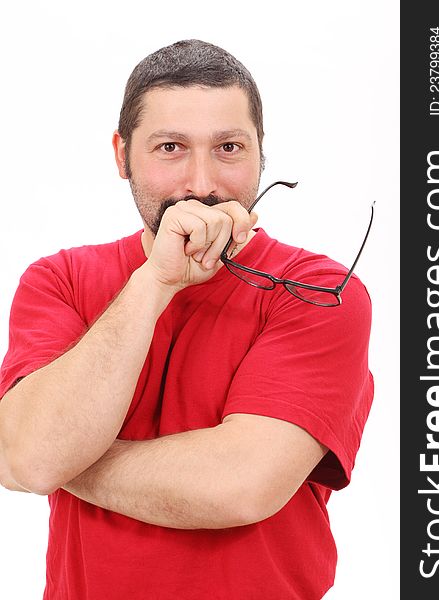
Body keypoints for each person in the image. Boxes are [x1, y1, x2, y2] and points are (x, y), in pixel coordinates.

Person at [0, 39, 374, 600]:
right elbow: (25, 457)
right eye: (170, 147)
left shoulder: (321, 292)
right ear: (121, 155)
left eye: (228, 147)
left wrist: (62, 459)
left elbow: (239, 486)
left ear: (261, 155)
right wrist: (155, 282)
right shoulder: (60, 281)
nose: (201, 183)